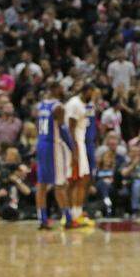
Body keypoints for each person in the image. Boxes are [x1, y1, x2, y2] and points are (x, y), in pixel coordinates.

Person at [36, 81, 74, 229]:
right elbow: (63, 130)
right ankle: (68, 218)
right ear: (55, 89)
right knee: (60, 184)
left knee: (42, 184)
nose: (63, 90)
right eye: (61, 88)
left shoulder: (40, 106)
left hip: (41, 144)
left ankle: (43, 219)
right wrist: (73, 149)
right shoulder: (58, 107)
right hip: (53, 146)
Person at [65, 84, 96, 229]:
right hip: (75, 143)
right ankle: (70, 216)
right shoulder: (74, 104)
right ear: (85, 91)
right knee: (75, 180)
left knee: (83, 179)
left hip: (82, 142)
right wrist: (74, 150)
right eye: (92, 92)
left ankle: (76, 213)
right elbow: (70, 127)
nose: (93, 95)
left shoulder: (86, 104)